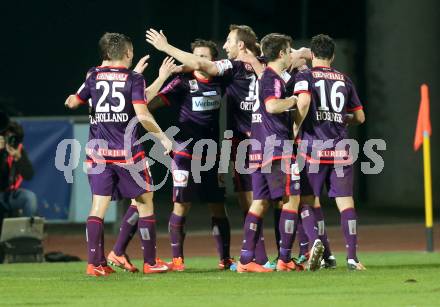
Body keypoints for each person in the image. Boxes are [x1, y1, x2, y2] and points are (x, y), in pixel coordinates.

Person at [146, 26, 311, 269]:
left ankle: (278, 257)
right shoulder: (233, 68)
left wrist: (303, 56)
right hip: (244, 143)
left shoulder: (265, 62)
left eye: (229, 41)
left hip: (264, 141)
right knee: (258, 201)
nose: (225, 46)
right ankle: (263, 259)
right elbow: (203, 65)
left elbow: (304, 52)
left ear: (241, 45)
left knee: (274, 200)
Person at [65, 32, 173, 276]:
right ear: (127, 53)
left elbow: (74, 102)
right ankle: (150, 262)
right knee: (145, 201)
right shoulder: (134, 78)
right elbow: (142, 113)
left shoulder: (92, 75)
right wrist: (164, 137)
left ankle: (95, 264)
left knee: (98, 207)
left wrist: (70, 99)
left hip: (98, 153)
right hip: (127, 154)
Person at [144, 39, 232, 271]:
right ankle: (177, 260)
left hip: (211, 154)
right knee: (181, 205)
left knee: (217, 207)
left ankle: (225, 259)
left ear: (214, 60)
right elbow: (149, 105)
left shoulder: (222, 79)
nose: (199, 60)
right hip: (184, 153)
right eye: (196, 56)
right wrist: (160, 135)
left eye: (204, 56)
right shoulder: (182, 82)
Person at [237, 33, 320, 273]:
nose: (292, 51)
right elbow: (273, 105)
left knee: (260, 203)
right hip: (276, 149)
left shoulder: (264, 77)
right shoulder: (272, 78)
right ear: (282, 53)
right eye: (289, 48)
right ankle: (285, 259)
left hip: (259, 149)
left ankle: (245, 260)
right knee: (291, 200)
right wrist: (293, 101)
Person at [293, 34, 366, 270]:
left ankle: (323, 251)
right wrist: (341, 118)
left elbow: (302, 104)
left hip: (313, 149)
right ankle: (353, 258)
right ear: (333, 56)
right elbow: (360, 117)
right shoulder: (344, 79)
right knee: (346, 203)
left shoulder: (305, 75)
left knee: (307, 202)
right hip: (341, 149)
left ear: (313, 55)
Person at [0, 117, 37, 231]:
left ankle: (25, 235)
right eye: (8, 137)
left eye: (13, 138)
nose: (11, 141)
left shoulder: (17, 150)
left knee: (29, 198)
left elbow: (29, 175)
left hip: (10, 195)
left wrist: (18, 157)